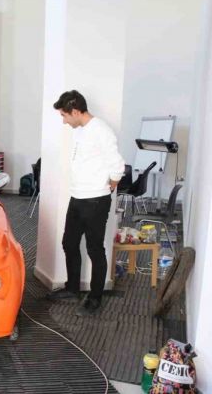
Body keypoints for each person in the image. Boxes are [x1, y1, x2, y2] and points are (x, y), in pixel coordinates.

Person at [46, 90, 125, 316]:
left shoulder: (101, 130)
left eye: (64, 116)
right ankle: (72, 288)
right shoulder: (81, 130)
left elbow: (117, 165)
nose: (64, 121)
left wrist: (109, 185)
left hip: (95, 201)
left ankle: (95, 297)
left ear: (75, 111)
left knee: (94, 249)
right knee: (69, 243)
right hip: (77, 197)